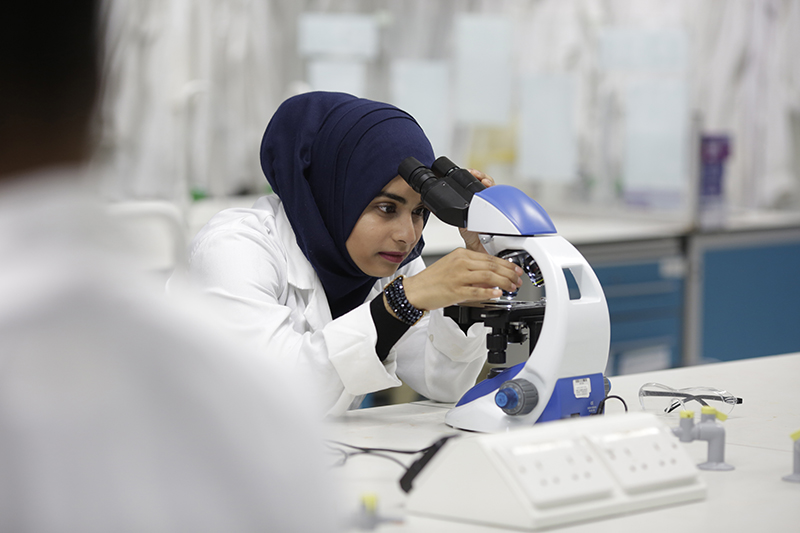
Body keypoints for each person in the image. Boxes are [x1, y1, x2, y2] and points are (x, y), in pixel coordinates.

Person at [0, 2, 339, 531]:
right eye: (387, 206)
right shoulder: (237, 392)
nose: (405, 230)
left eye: (412, 210)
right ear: (99, 84)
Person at [174, 91, 524, 416]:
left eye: (419, 212)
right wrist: (400, 304)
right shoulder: (235, 249)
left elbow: (444, 383)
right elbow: (275, 398)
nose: (407, 235)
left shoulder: (388, 261)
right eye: (387, 208)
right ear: (334, 195)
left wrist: (475, 284)